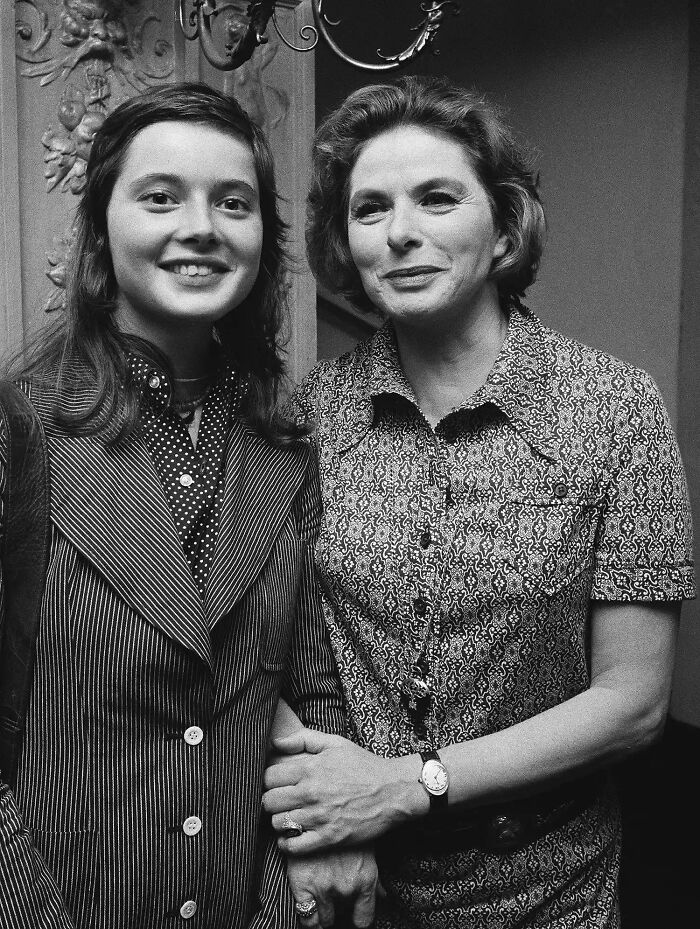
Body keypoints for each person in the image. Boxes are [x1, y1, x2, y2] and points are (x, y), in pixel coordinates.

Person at [262, 75, 696, 927]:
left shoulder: (615, 409)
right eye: (370, 209)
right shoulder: (308, 415)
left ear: (503, 225)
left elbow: (635, 703)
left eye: (437, 198)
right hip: (356, 889)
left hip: (550, 890)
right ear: (344, 246)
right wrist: (323, 817)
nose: (402, 234)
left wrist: (410, 784)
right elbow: (255, 639)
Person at [0, 82, 377, 928]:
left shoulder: (287, 444)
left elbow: (314, 687)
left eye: (232, 202)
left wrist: (317, 848)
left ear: (262, 242)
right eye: (161, 197)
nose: (201, 226)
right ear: (101, 230)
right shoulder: (18, 427)